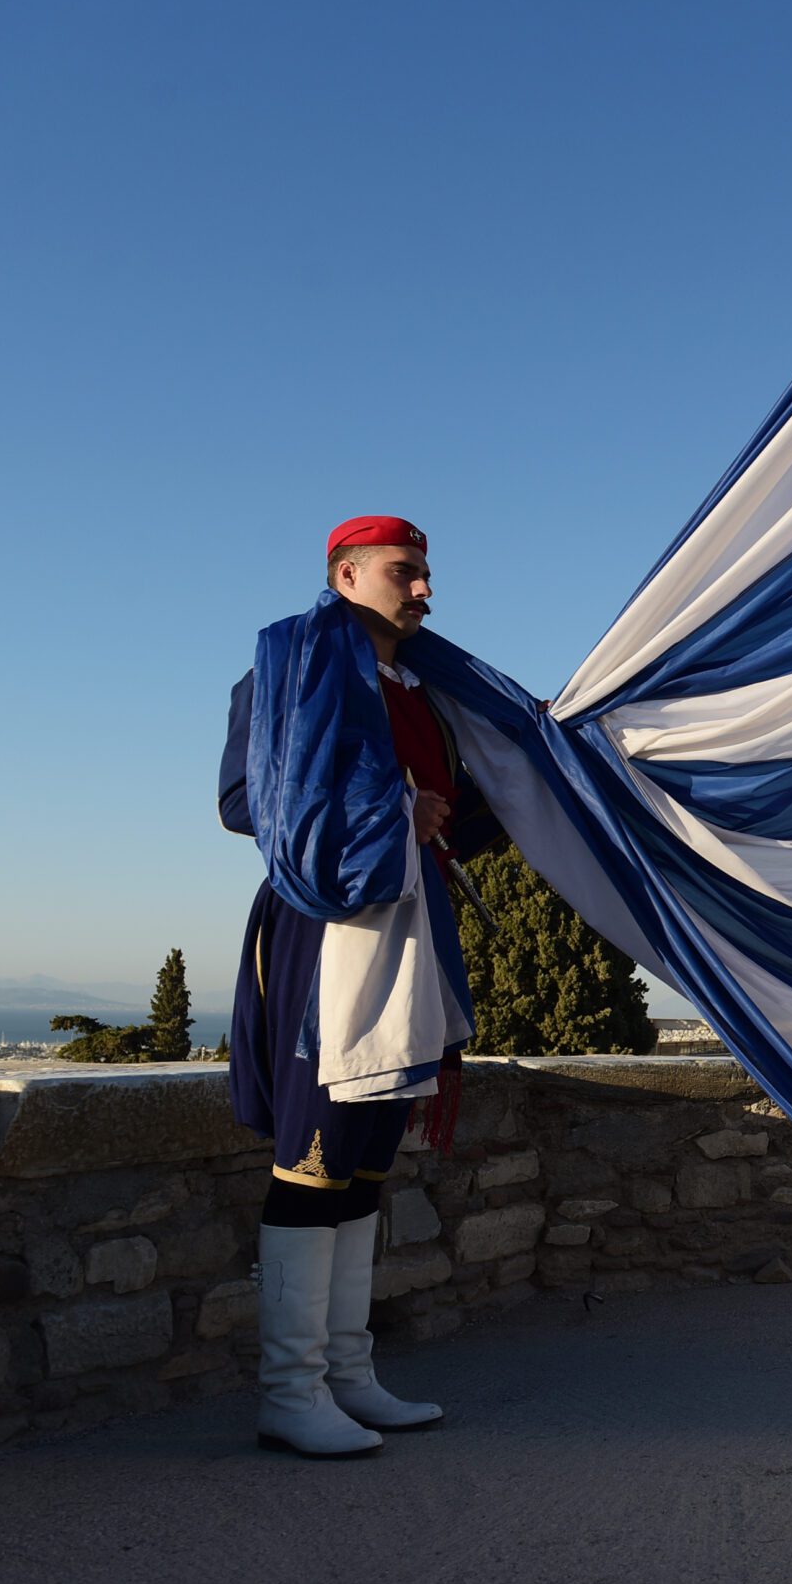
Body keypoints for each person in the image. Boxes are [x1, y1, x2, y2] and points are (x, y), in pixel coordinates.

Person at [218, 515, 499, 1458]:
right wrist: (389, 809)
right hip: (328, 934)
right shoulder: (287, 674)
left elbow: (456, 818)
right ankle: (288, 1393)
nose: (423, 591)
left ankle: (347, 1374)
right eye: (403, 573)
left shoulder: (421, 690)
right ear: (345, 575)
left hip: (412, 933)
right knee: (315, 1155)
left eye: (425, 574)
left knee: (367, 1156)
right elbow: (242, 803)